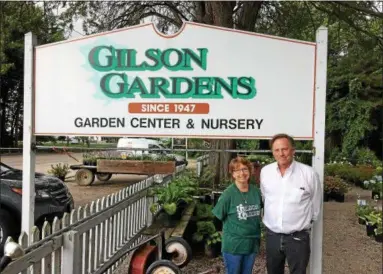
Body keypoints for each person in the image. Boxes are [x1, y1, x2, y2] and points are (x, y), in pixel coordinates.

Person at [260, 133, 322, 274]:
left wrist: (305, 224)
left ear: (293, 150)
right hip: (272, 236)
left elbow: (316, 204)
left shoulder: (308, 174)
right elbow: (265, 197)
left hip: (298, 238)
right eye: (277, 150)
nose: (281, 153)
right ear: (272, 152)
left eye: (285, 149)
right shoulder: (266, 172)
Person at [212, 156, 262, 274]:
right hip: (234, 246)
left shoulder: (256, 192)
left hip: (251, 244)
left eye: (245, 169)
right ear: (233, 174)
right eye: (237, 170)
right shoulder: (228, 195)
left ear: (249, 171)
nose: (242, 173)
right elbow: (216, 218)